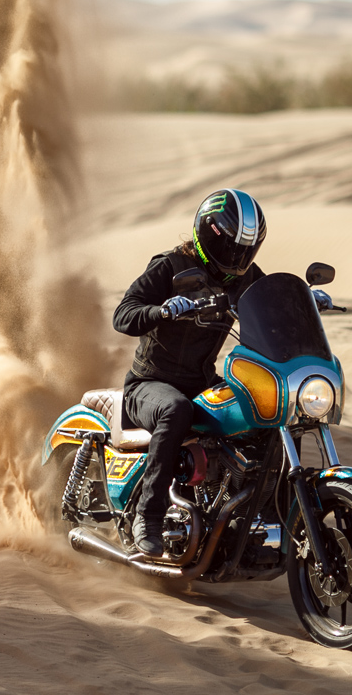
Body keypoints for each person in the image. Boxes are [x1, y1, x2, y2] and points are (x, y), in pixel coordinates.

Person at [111, 189, 266, 559]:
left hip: (201, 383)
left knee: (259, 413)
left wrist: (303, 303)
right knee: (175, 410)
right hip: (149, 385)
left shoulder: (243, 278)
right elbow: (123, 315)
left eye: (246, 250)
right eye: (231, 247)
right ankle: (147, 518)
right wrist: (162, 311)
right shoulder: (169, 266)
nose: (238, 258)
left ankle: (247, 520)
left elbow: (267, 303)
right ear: (209, 235)